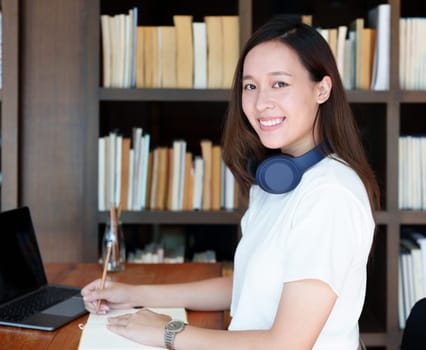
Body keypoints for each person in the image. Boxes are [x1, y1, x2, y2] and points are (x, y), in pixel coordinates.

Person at [82, 16, 379, 350]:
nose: (260, 101)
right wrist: (134, 295)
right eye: (250, 86)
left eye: (279, 83)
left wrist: (168, 332)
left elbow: (287, 345)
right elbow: (248, 284)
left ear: (321, 89)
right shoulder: (277, 182)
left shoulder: (330, 195)